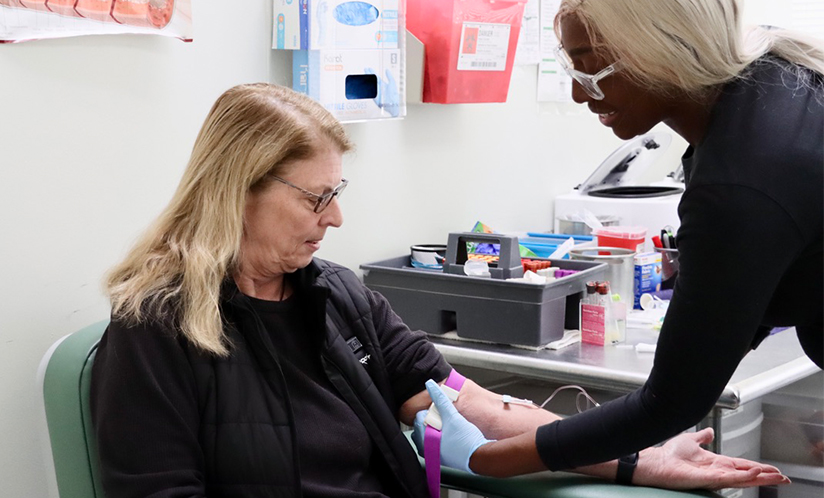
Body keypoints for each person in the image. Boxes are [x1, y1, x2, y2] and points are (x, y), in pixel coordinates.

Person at [90, 82, 788, 498]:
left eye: (338, 193)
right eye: (317, 197)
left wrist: (642, 457)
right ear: (235, 190)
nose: (336, 217)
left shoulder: (337, 297)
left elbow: (477, 411)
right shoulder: (156, 328)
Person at [422, 0, 823, 484]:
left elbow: (670, 403)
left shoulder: (743, 182)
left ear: (664, 50)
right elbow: (750, 290)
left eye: (591, 69)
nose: (577, 93)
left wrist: (487, 460)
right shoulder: (773, 86)